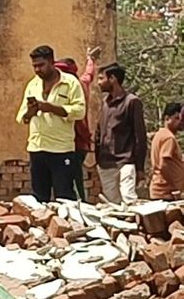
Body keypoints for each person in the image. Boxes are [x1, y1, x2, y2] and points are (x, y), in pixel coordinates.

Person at [17, 45, 86, 202]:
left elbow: (80, 111)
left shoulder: (70, 83)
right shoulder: (33, 84)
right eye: (34, 66)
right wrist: (31, 111)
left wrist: (51, 108)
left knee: (65, 198)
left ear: (52, 62)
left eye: (41, 65)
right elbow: (23, 117)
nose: (37, 70)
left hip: (61, 150)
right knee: (39, 199)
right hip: (37, 148)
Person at [94, 62, 147, 205]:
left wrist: (140, 168)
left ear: (112, 79)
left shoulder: (132, 102)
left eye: (101, 78)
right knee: (113, 205)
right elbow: (99, 132)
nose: (98, 83)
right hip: (106, 164)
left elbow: (140, 137)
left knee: (129, 201)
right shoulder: (105, 103)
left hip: (125, 162)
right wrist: (98, 159)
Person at [54, 46, 100, 201]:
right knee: (73, 176)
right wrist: (90, 59)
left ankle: (79, 204)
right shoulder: (81, 84)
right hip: (78, 142)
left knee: (71, 177)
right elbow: (89, 74)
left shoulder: (71, 88)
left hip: (74, 141)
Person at [149, 102, 184, 200]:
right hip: (165, 192)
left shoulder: (160, 134)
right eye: (177, 118)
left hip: (161, 190)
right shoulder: (169, 138)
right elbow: (164, 163)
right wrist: (175, 186)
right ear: (167, 118)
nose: (181, 122)